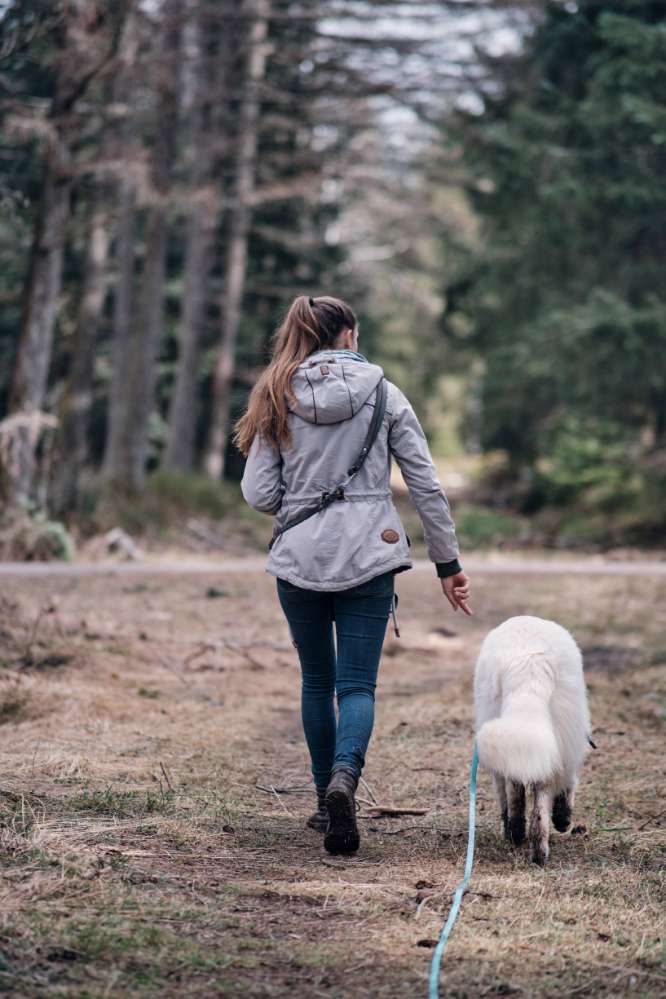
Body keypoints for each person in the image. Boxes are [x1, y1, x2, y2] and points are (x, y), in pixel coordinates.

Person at [235, 295, 471, 855]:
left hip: (298, 561)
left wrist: (302, 497)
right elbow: (426, 485)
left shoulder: (275, 394)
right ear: (347, 336)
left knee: (317, 682)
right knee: (357, 685)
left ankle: (324, 800)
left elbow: (258, 492)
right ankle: (347, 778)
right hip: (371, 556)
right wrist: (449, 563)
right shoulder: (386, 395)